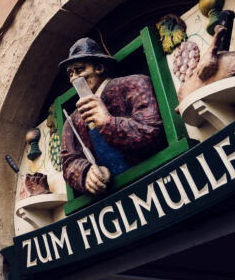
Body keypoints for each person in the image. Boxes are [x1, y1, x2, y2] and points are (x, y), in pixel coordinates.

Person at [60, 38, 166, 196]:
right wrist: (86, 172)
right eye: (70, 73)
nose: (74, 78)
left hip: (157, 179)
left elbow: (153, 131)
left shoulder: (135, 84)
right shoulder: (73, 120)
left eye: (80, 70)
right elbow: (69, 162)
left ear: (99, 67)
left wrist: (108, 123)